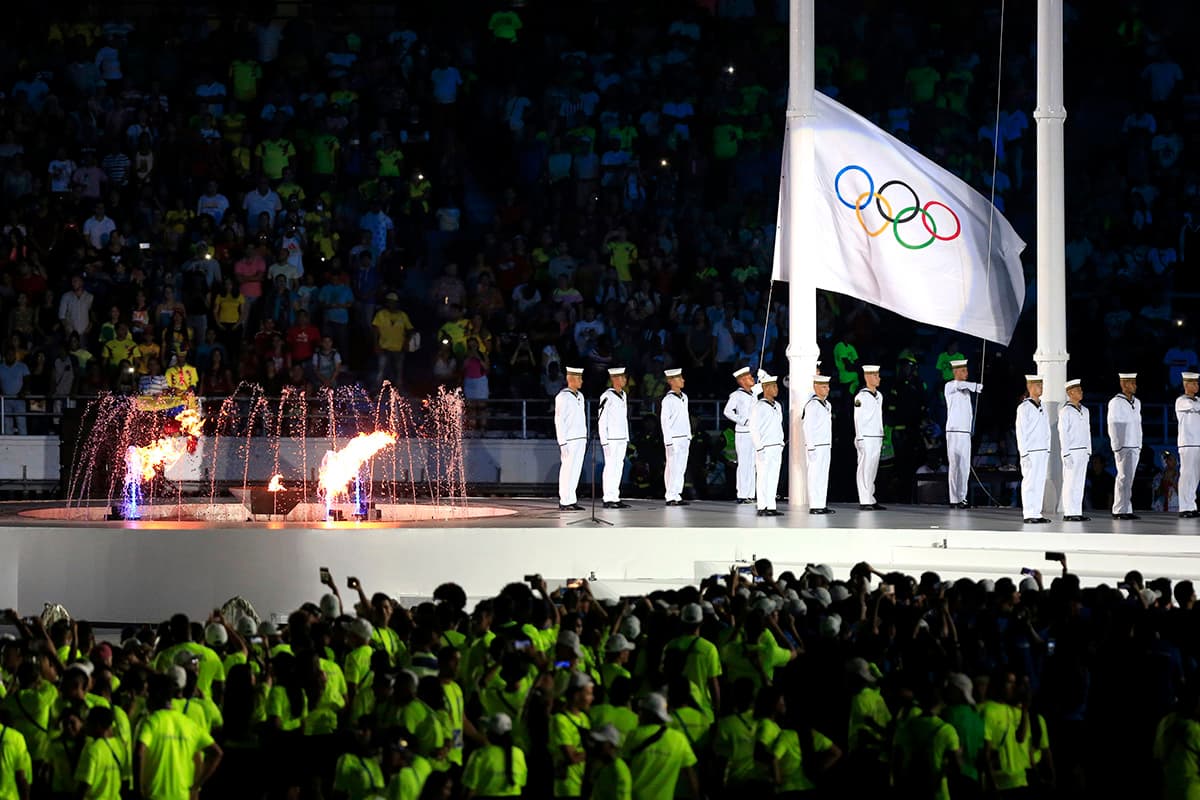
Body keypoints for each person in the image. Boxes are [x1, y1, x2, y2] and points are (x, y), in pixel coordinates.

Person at [622, 693, 700, 800]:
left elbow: (623, 768)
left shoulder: (634, 735)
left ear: (648, 714)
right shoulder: (679, 739)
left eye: (641, 711)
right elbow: (690, 776)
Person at [944, 359, 983, 508]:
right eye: (963, 371)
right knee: (955, 465)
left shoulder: (965, 390)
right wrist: (975, 386)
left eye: (966, 370)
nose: (966, 373)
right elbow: (959, 384)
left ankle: (962, 498)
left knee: (965, 467)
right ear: (955, 372)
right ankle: (954, 499)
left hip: (965, 433)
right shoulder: (950, 386)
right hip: (954, 432)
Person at [461, 712, 527, 798]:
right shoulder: (519, 754)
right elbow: (522, 782)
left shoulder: (481, 754)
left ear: (490, 734)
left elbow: (469, 789)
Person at [1015, 375, 1051, 524]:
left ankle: (1037, 512)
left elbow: (1047, 430)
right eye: (1037, 385)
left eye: (1041, 385)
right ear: (1030, 387)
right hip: (1030, 451)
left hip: (1042, 450)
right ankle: (1029, 513)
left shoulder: (1042, 407)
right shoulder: (1024, 407)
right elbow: (1021, 432)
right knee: (1030, 481)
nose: (1041, 388)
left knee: (1040, 481)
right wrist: (1024, 453)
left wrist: (1048, 449)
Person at [1109, 372, 1144, 519]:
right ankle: (1119, 509)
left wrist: (1139, 443)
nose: (1135, 386)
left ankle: (1126, 508)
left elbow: (1138, 424)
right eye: (1132, 383)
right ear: (1123, 384)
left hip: (1135, 444)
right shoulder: (1116, 402)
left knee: (1129, 478)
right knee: (1123, 477)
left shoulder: (1137, 402)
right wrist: (1117, 446)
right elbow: (1113, 425)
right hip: (1124, 445)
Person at [749, 372, 784, 516]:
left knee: (773, 476)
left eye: (776, 385)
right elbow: (753, 427)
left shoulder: (777, 405)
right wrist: (759, 447)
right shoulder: (759, 406)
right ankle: (762, 506)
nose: (777, 388)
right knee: (763, 476)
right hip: (765, 447)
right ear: (765, 388)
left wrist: (781, 442)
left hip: (776, 445)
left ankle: (771, 506)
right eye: (773, 386)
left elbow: (779, 424)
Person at [1059, 379, 1092, 521]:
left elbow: (1087, 431)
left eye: (1081, 389)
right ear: (1070, 393)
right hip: (1071, 451)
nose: (1081, 392)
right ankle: (1069, 512)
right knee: (1070, 482)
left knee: (1079, 482)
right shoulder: (1065, 411)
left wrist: (1089, 450)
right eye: (1078, 390)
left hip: (1083, 451)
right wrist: (1066, 453)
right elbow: (1063, 433)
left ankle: (1077, 511)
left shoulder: (1085, 410)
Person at [854, 364, 886, 510]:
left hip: (876, 435)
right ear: (867, 377)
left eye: (878, 375)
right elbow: (858, 418)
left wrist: (881, 433)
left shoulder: (879, 395)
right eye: (875, 375)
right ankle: (864, 499)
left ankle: (871, 497)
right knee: (864, 467)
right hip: (865, 436)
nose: (878, 378)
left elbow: (879, 417)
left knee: (873, 468)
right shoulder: (861, 396)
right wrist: (859, 437)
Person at [723, 366, 757, 504]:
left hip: (754, 432)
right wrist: (743, 421)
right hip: (743, 432)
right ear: (742, 380)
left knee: (753, 464)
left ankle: (750, 494)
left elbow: (767, 382)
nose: (752, 378)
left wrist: (763, 374)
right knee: (744, 464)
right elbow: (727, 411)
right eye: (749, 377)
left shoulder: (754, 393)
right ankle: (742, 494)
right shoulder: (737, 395)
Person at [598, 367, 631, 509]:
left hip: (621, 437)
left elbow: (623, 419)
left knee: (619, 467)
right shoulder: (607, 396)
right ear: (614, 379)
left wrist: (626, 436)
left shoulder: (623, 394)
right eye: (622, 377)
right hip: (611, 438)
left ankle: (615, 496)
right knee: (610, 467)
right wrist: (604, 440)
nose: (625, 380)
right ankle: (608, 497)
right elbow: (602, 419)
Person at [555, 367, 587, 511]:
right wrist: (562, 442)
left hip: (580, 438)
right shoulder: (562, 396)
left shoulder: (580, 395)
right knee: (567, 469)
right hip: (569, 439)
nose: (581, 381)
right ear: (571, 379)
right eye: (579, 378)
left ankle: (571, 499)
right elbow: (559, 420)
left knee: (576, 470)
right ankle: (565, 500)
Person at [802, 375, 834, 514]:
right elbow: (807, 427)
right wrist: (810, 447)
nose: (827, 389)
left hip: (826, 444)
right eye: (823, 386)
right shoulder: (812, 405)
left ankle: (821, 503)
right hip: (816, 446)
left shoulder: (827, 404)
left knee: (823, 475)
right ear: (815, 387)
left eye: (827, 386)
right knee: (814, 475)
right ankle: (815, 505)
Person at [661, 368, 691, 506]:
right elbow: (665, 421)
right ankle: (670, 495)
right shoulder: (668, 399)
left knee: (681, 467)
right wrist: (668, 441)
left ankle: (677, 493)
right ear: (671, 381)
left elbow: (685, 418)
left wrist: (689, 435)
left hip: (684, 436)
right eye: (679, 378)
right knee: (672, 466)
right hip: (674, 438)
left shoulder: (684, 397)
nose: (683, 380)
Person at [1177, 372, 1200, 518]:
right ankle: (1184, 507)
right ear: (1186, 385)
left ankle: (1191, 505)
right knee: (1186, 475)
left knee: (1195, 476)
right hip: (1187, 443)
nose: (1197, 386)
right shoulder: (1181, 401)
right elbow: (1192, 406)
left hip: (1198, 442)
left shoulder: (1197, 400)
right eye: (1194, 383)